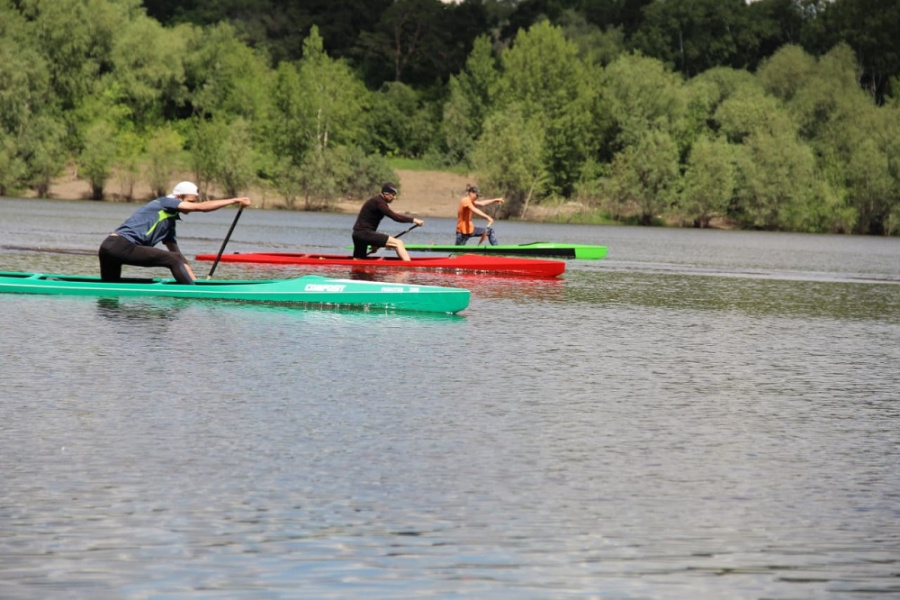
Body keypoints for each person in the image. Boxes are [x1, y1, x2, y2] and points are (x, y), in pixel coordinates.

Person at [98, 181, 251, 284]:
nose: (191, 205)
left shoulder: (169, 222)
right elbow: (202, 207)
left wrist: (194, 280)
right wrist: (234, 200)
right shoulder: (165, 202)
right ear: (178, 197)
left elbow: (178, 256)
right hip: (121, 245)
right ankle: (191, 293)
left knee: (110, 293)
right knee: (173, 259)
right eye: (189, 201)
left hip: (108, 248)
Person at [352, 183, 424, 261]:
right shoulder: (379, 203)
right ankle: (409, 267)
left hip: (358, 234)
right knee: (398, 243)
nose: (394, 197)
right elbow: (395, 217)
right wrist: (413, 220)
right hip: (365, 233)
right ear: (386, 194)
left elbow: (368, 223)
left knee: (358, 260)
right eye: (393, 195)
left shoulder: (376, 201)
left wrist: (374, 243)